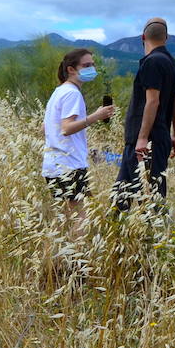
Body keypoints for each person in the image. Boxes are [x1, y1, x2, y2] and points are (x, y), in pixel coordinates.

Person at [114, 18, 175, 210]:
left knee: (146, 196)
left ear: (143, 37)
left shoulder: (152, 62)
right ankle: (120, 235)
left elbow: (153, 101)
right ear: (166, 38)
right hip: (159, 138)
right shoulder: (172, 63)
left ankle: (149, 236)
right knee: (128, 192)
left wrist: (142, 139)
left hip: (144, 142)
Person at [42, 48, 114, 230]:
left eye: (93, 65)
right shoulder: (72, 93)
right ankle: (78, 257)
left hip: (53, 165)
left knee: (66, 219)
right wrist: (96, 116)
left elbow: (45, 127)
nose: (92, 69)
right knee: (80, 218)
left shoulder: (58, 91)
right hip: (69, 165)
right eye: (86, 65)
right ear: (71, 69)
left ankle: (61, 257)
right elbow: (66, 128)